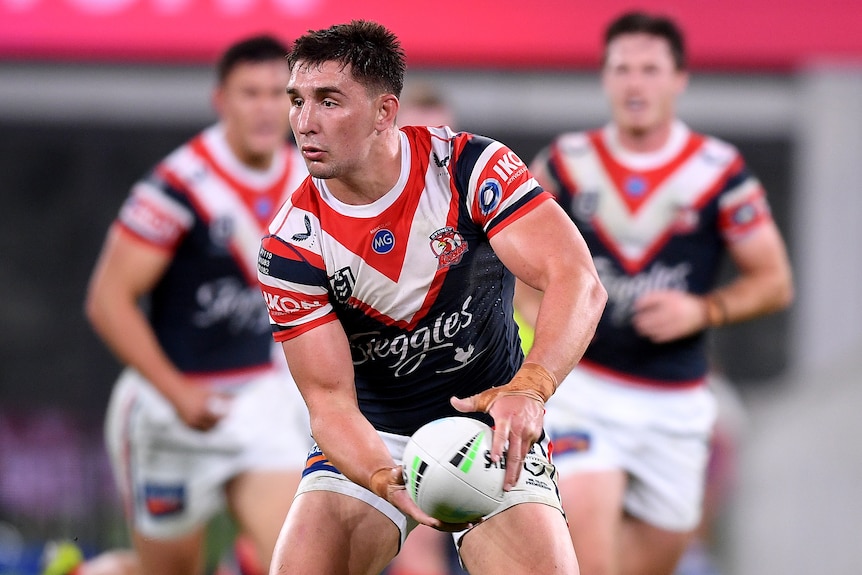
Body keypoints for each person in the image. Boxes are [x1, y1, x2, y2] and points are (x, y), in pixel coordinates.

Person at [256, 19, 607, 575]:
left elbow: (578, 280)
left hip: (490, 431)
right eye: (296, 101)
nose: (303, 122)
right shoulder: (291, 244)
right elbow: (329, 405)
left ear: (384, 113)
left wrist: (532, 389)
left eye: (328, 101)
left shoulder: (471, 168)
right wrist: (381, 477)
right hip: (374, 437)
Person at [521, 11, 794, 575]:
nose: (635, 83)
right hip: (584, 393)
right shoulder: (565, 165)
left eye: (650, 69)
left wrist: (705, 307)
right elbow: (518, 263)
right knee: (589, 554)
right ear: (605, 77)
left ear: (679, 79)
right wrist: (547, 343)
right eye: (622, 68)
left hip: (676, 403)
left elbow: (774, 282)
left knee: (652, 562)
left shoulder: (720, 172)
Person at [60, 34, 311, 575]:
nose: (267, 109)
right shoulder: (179, 186)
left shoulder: (306, 177)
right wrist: (178, 394)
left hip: (258, 403)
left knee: (302, 562)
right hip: (168, 415)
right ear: (220, 100)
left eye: (280, 94)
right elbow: (108, 301)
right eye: (251, 93)